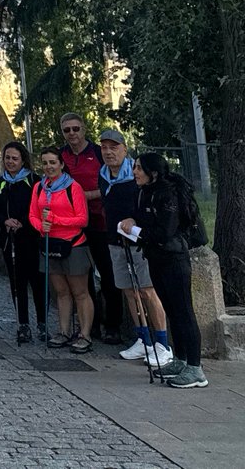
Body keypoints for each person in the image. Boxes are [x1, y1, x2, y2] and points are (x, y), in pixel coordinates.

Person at [119, 153, 207, 388]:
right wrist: (130, 223)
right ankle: (180, 359)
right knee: (172, 311)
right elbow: (142, 219)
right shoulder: (146, 192)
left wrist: (135, 232)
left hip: (174, 259)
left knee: (184, 313)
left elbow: (165, 231)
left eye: (139, 168)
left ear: (153, 172)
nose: (135, 172)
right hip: (156, 258)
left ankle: (196, 368)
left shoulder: (168, 193)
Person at [99, 131, 173, 368]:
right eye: (104, 148)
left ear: (124, 148)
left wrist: (135, 222)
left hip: (138, 241)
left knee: (147, 290)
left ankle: (162, 343)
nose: (109, 152)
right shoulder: (102, 176)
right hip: (115, 239)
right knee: (129, 291)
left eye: (114, 147)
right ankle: (143, 339)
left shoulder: (136, 175)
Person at [59, 112, 122, 344]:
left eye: (76, 129)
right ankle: (90, 325)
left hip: (101, 222)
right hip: (75, 226)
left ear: (83, 129)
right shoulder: (62, 155)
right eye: (67, 130)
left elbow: (110, 184)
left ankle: (113, 325)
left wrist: (85, 196)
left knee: (108, 275)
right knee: (80, 278)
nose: (72, 134)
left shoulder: (97, 152)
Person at [30, 146, 94, 353]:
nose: (49, 167)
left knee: (80, 292)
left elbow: (82, 219)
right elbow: (33, 214)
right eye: (45, 163)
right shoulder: (39, 187)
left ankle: (85, 334)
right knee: (61, 292)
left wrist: (56, 220)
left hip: (73, 244)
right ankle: (64, 331)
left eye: (52, 163)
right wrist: (41, 226)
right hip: (50, 244)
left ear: (61, 164)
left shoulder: (72, 188)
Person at [0, 141, 46, 343]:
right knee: (17, 284)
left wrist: (23, 222)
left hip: (31, 238)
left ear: (23, 160)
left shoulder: (34, 181)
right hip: (9, 240)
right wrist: (4, 221)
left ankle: (42, 322)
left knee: (37, 283)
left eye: (14, 158)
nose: (10, 162)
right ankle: (23, 324)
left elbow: (38, 207)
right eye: (7, 158)